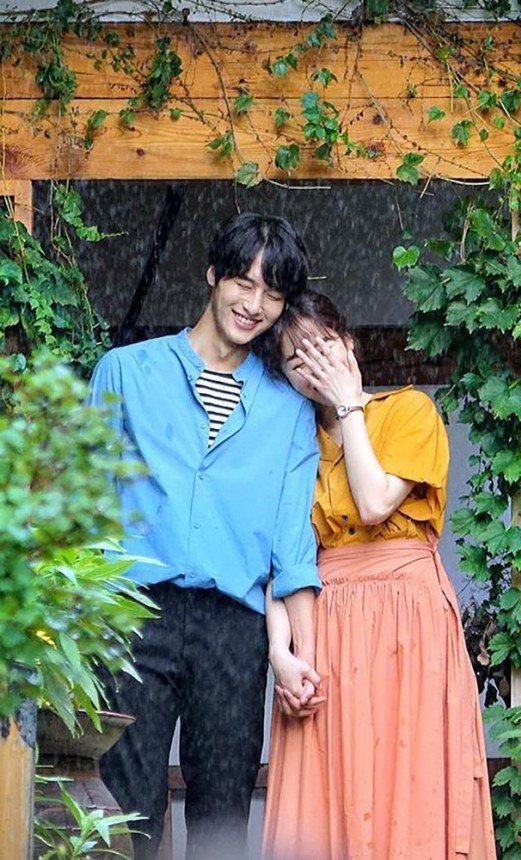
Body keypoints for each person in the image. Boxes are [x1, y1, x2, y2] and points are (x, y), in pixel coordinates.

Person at [89, 213, 322, 860]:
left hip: (233, 629)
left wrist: (298, 655)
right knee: (125, 807)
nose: (254, 304)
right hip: (132, 612)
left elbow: (291, 547)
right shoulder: (125, 372)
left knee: (223, 811)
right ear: (212, 274)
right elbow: (85, 505)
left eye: (272, 292)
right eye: (243, 282)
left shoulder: (288, 410)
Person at [261, 291, 496, 860]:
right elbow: (278, 559)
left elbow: (372, 504)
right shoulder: (291, 444)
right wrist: (279, 653)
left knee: (412, 782)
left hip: (407, 621)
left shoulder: (410, 410)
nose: (314, 366)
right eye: (296, 360)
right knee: (329, 797)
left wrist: (349, 405)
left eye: (322, 347)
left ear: (349, 341)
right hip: (327, 625)